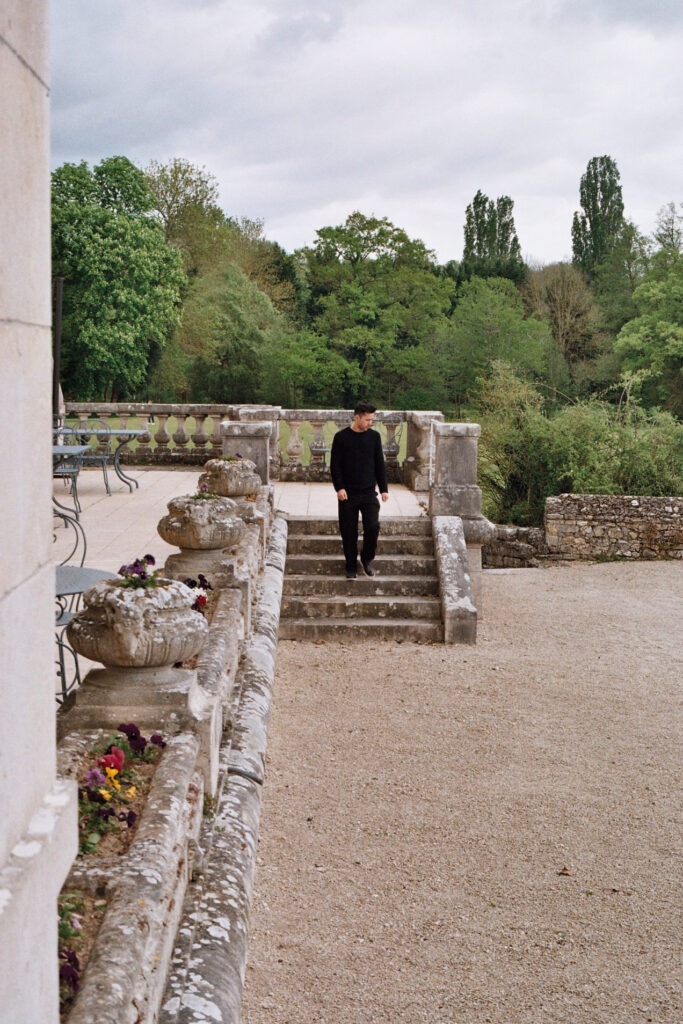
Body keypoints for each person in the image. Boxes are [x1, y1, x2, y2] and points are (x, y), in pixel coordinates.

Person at [330, 401, 389, 579]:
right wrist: (339, 487)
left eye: (372, 420)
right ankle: (350, 565)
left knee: (373, 526)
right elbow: (335, 466)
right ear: (357, 417)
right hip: (348, 493)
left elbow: (380, 464)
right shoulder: (341, 437)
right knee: (348, 531)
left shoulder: (374, 437)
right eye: (367, 419)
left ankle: (367, 559)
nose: (370, 423)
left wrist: (384, 488)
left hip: (369, 492)